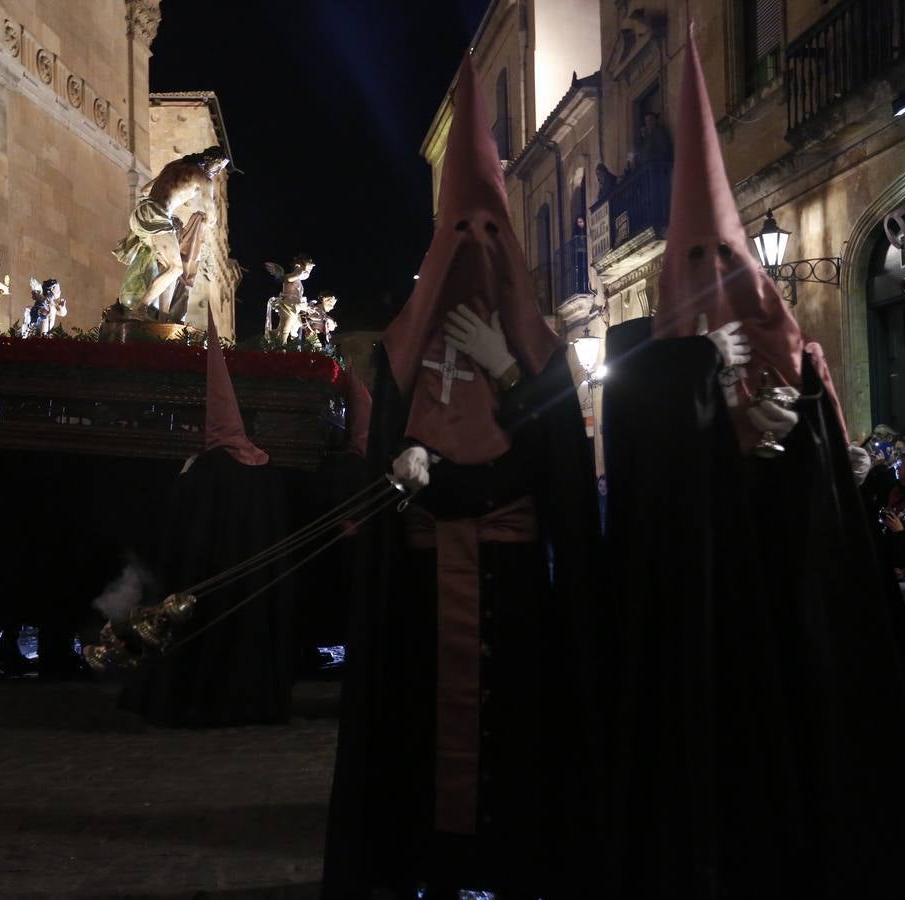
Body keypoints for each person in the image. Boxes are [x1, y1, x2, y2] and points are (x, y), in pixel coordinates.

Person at [599, 29, 905, 898]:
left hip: (782, 600)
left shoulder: (796, 355)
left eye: (725, 256)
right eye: (694, 260)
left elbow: (829, 512)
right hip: (696, 611)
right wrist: (699, 385)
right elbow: (645, 484)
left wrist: (795, 445)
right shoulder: (642, 360)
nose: (711, 274)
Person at [324, 57, 602, 898]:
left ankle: (512, 861)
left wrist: (509, 372)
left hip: (513, 585)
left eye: (492, 235)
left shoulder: (541, 352)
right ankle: (425, 866)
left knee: (513, 731)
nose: (476, 250)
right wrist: (402, 464)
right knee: (417, 729)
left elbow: (554, 464)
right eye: (460, 236)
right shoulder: (398, 348)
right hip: (420, 585)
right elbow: (383, 459)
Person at [116, 314, 294, 725]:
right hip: (253, 584)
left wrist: (183, 478)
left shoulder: (208, 469)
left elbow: (182, 535)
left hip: (212, 580)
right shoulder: (263, 465)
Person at [114, 146, 228, 318]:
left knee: (165, 265)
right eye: (219, 168)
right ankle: (140, 309)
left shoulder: (174, 165)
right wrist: (205, 221)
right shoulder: (203, 178)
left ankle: (163, 315)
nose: (218, 172)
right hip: (156, 216)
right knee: (175, 268)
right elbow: (211, 214)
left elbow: (145, 190)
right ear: (212, 163)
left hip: (141, 212)